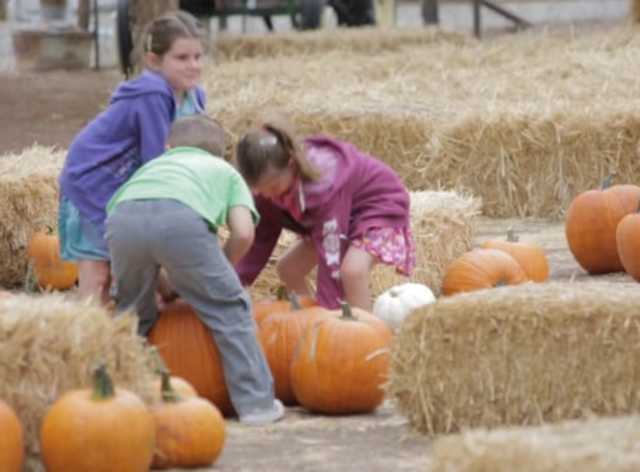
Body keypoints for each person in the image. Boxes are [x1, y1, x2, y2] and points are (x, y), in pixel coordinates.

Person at [106, 115, 284, 425]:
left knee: (131, 315)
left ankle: (117, 398)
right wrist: (221, 269)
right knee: (230, 309)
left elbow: (144, 243)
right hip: (182, 220)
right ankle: (257, 406)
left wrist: (165, 286)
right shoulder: (225, 171)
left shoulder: (150, 169)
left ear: (168, 147)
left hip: (121, 219)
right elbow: (243, 233)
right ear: (222, 152)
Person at [58, 10, 207, 305]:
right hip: (95, 180)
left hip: (131, 183)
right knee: (99, 272)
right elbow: (157, 161)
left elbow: (194, 150)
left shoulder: (194, 96)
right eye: (182, 58)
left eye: (198, 57)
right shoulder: (152, 93)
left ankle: (156, 308)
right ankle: (88, 336)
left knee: (137, 262)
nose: (193, 66)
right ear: (153, 60)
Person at [234, 117, 415, 311]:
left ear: (292, 165)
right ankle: (303, 317)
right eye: (260, 191)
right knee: (288, 269)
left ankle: (364, 331)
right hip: (332, 217)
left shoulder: (324, 187)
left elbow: (332, 252)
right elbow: (260, 239)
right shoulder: (268, 190)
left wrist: (329, 310)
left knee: (352, 271)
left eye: (273, 187)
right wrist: (234, 284)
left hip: (376, 207)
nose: (268, 194)